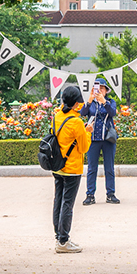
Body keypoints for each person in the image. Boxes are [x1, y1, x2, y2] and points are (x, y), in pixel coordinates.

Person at [51, 85, 93, 253]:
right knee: (67, 204)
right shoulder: (76, 122)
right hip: (72, 169)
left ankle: (58, 236)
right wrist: (87, 131)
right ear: (76, 103)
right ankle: (63, 242)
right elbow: (83, 148)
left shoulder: (57, 116)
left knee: (58, 202)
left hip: (57, 166)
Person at [80, 77, 120, 205]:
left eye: (102, 88)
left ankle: (110, 194)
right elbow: (82, 113)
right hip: (93, 139)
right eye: (97, 88)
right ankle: (90, 195)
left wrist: (104, 102)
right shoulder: (90, 103)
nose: (100, 90)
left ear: (106, 90)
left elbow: (112, 113)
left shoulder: (110, 101)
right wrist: (90, 100)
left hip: (108, 139)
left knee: (109, 168)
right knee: (92, 168)